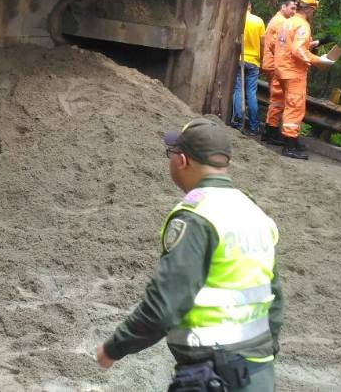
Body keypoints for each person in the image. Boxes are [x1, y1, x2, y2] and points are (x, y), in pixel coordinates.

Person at [96, 118, 283, 391]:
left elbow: (163, 306)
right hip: (258, 371)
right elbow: (274, 299)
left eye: (171, 154)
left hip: (213, 373)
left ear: (182, 160)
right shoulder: (253, 212)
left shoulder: (197, 217)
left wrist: (114, 348)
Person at [273, 0, 334, 160]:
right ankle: (289, 145)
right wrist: (318, 60)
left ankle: (291, 140)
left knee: (289, 105)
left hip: (282, 69)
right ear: (309, 9)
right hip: (294, 72)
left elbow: (284, 44)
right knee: (295, 107)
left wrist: (313, 45)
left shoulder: (288, 22)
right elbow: (298, 49)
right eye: (313, 11)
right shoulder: (303, 25)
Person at [260, 0, 297, 145]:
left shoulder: (277, 20)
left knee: (277, 99)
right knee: (278, 99)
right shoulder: (282, 22)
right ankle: (271, 131)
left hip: (271, 63)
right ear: (283, 7)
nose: (294, 12)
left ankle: (271, 130)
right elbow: (280, 44)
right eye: (292, 8)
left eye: (295, 9)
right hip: (275, 64)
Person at [231, 3, 265, 135]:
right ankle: (253, 126)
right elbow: (263, 44)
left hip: (240, 58)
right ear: (250, 6)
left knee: (238, 90)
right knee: (251, 93)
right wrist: (262, 60)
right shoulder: (259, 21)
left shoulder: (237, 19)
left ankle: (238, 121)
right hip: (254, 61)